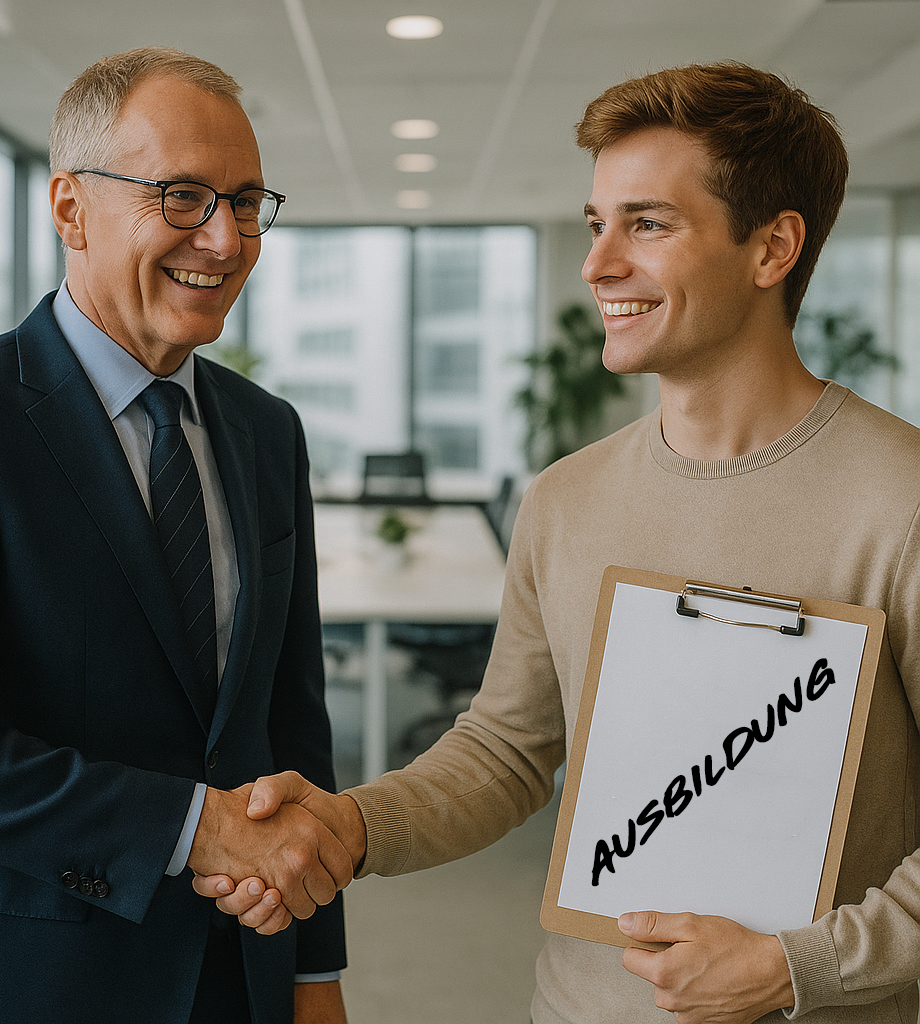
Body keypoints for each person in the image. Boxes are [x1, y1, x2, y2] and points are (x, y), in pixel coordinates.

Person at [204, 62, 920, 1023]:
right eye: (597, 223)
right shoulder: (566, 499)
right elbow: (506, 749)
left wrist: (799, 966)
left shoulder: (900, 497)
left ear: (773, 247)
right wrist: (350, 823)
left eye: (648, 224)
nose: (598, 264)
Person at [0, 47, 352, 1024]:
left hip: (242, 976)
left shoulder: (268, 431)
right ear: (70, 209)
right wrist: (193, 829)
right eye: (182, 196)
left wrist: (315, 969)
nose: (224, 239)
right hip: (24, 980)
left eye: (245, 200)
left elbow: (288, 719)